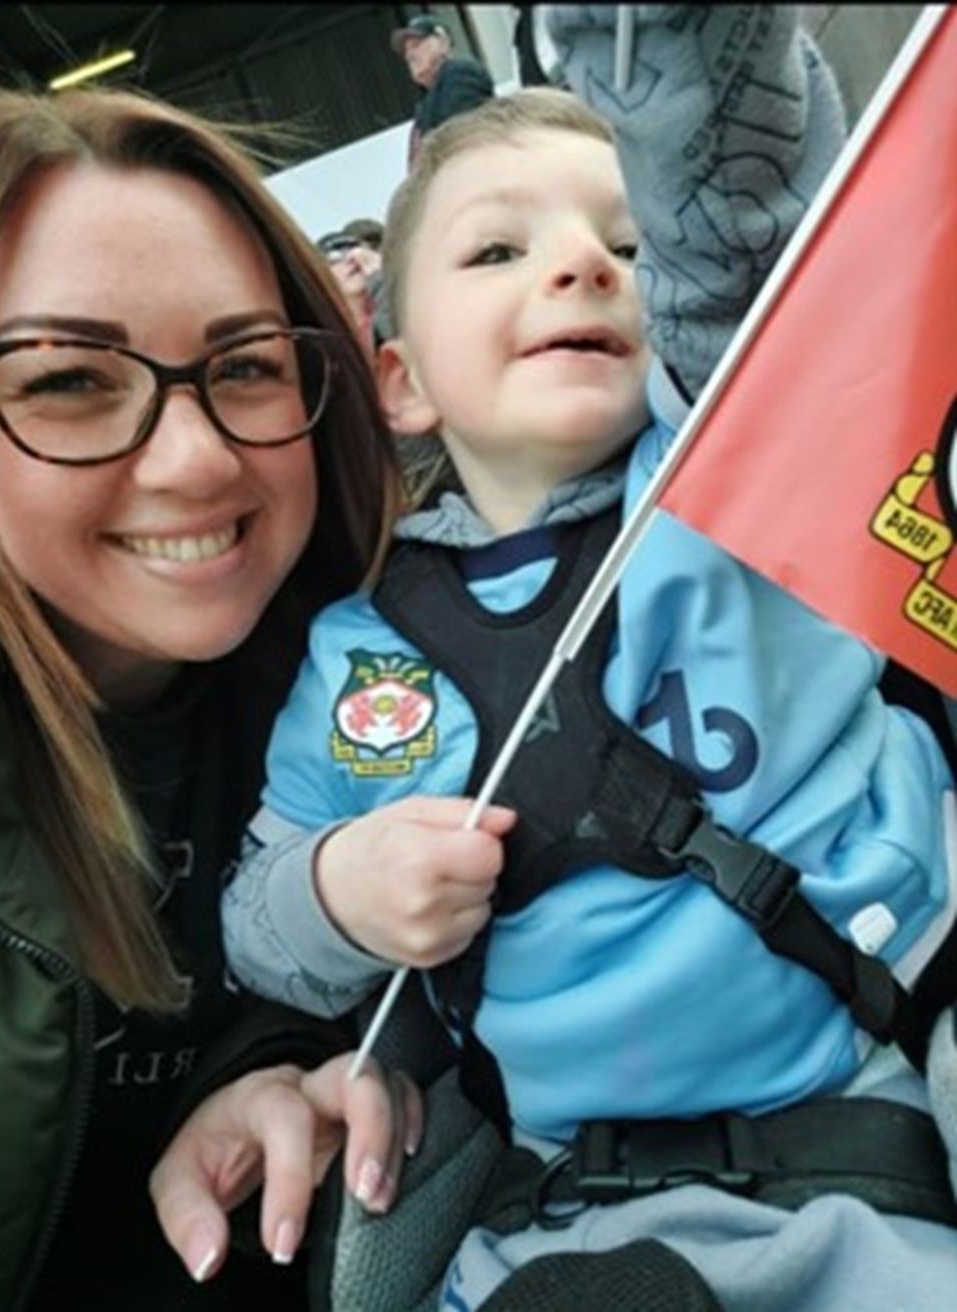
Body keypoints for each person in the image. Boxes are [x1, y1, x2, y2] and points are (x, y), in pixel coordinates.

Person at [224, 7, 957, 1310]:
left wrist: (688, 62)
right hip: (567, 1216)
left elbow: (741, 257)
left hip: (880, 1112)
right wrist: (340, 887)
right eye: (499, 249)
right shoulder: (364, 651)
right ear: (400, 380)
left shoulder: (738, 479)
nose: (580, 266)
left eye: (624, 241)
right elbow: (261, 923)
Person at [0, 83, 422, 1312]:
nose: (197, 458)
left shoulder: (403, 681)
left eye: (243, 366)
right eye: (68, 379)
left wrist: (281, 1064)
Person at [391, 13, 494, 169]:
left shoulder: (459, 73)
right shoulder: (426, 101)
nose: (410, 55)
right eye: (406, 51)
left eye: (417, 44)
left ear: (443, 42)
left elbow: (460, 135)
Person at [317, 229, 384, 355]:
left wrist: (380, 281)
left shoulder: (393, 305)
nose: (352, 260)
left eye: (356, 250)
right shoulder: (323, 333)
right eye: (335, 258)